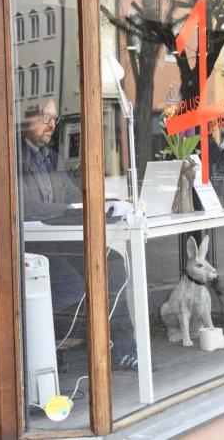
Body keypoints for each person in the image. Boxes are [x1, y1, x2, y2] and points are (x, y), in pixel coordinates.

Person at [18, 99, 138, 368]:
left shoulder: (52, 158)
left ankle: (124, 350)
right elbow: (23, 205)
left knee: (114, 264)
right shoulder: (14, 157)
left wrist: (105, 201)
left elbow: (73, 196)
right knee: (73, 286)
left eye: (55, 118)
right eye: (45, 117)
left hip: (59, 243)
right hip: (32, 246)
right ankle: (39, 338)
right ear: (27, 119)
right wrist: (67, 207)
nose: (52, 124)